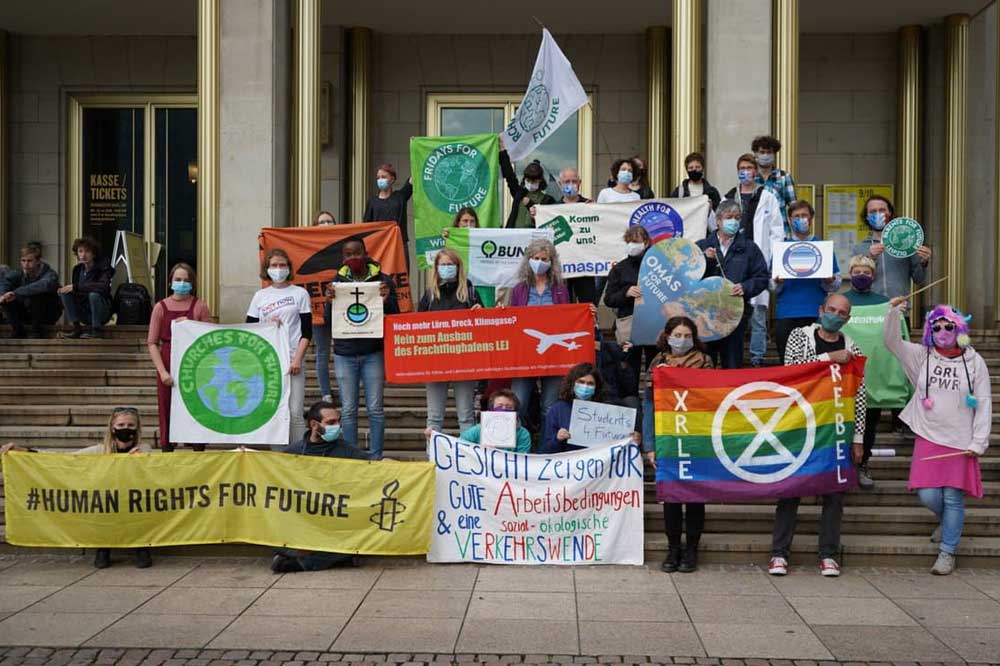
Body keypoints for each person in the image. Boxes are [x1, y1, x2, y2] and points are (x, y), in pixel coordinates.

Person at [883, 300, 990, 575]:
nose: (943, 331)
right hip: (928, 435)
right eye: (937, 327)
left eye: (949, 327)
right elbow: (891, 341)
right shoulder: (921, 356)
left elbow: (984, 401)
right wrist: (892, 313)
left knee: (953, 497)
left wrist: (979, 440)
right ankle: (949, 522)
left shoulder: (975, 361)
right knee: (928, 495)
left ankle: (947, 551)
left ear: (959, 329)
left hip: (960, 439)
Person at [768, 293, 867, 578]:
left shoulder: (852, 346)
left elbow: (859, 393)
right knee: (791, 490)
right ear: (821, 309)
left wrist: (858, 437)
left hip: (835, 429)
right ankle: (779, 553)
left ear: (848, 318)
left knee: (834, 494)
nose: (835, 315)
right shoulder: (800, 336)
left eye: (842, 313)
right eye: (831, 309)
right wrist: (829, 358)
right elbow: (791, 372)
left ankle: (828, 554)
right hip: (800, 427)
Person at [1, 407, 153, 569]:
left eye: (130, 425)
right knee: (101, 508)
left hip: (132, 499)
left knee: (141, 508)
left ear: (137, 428)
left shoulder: (144, 449)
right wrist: (25, 452)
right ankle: (103, 547)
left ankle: (141, 547)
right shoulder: (99, 450)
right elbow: (65, 459)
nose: (125, 429)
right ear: (112, 428)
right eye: (121, 425)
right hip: (107, 501)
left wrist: (142, 460)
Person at [641, 316, 713, 573]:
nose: (682, 340)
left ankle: (691, 549)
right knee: (671, 496)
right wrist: (650, 445)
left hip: (696, 437)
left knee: (695, 496)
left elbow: (711, 398)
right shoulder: (657, 363)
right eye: (678, 335)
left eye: (687, 336)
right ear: (668, 336)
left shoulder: (705, 362)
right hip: (668, 438)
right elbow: (648, 404)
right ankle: (673, 550)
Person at [271, 400, 373, 573]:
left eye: (338, 421)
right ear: (314, 425)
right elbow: (270, 470)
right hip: (303, 521)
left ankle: (303, 562)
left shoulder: (346, 450)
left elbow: (375, 464)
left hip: (334, 523)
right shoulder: (294, 451)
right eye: (331, 422)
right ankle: (324, 557)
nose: (337, 426)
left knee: (358, 540)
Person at [329, 239, 400, 459]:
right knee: (348, 410)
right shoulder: (336, 281)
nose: (353, 258)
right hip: (344, 353)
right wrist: (329, 302)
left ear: (366, 253)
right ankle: (352, 457)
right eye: (348, 254)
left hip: (373, 352)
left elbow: (395, 315)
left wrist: (386, 300)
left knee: (375, 408)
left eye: (357, 253)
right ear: (343, 258)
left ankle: (376, 456)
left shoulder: (383, 280)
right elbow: (328, 319)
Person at [721, 153, 784, 367]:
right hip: (734, 261)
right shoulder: (729, 197)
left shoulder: (767, 196)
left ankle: (757, 358)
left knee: (758, 315)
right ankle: (733, 360)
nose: (745, 172)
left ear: (755, 171)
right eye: (742, 168)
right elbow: (718, 225)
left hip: (758, 259)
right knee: (732, 313)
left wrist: (773, 259)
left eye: (749, 168)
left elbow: (777, 231)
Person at [247, 249, 312, 445]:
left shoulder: (300, 294)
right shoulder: (260, 296)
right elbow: (250, 329)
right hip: (269, 361)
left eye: (282, 265)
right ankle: (278, 453)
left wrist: (297, 359)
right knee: (275, 411)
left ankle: (298, 452)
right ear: (267, 269)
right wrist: (266, 325)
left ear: (289, 268)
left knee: (295, 411)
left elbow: (307, 332)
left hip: (293, 359)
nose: (278, 269)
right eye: (274, 265)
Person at [506, 238, 573, 428]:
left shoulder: (560, 289)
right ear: (528, 260)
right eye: (536, 258)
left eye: (544, 259)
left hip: (554, 355)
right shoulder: (519, 289)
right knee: (518, 403)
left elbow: (569, 318)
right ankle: (521, 441)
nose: (540, 262)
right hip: (525, 356)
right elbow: (512, 320)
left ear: (552, 262)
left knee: (549, 407)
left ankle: (547, 444)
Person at [147, 263, 213, 452]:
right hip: (168, 358)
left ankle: (197, 446)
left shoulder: (200, 306)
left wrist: (191, 324)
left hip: (194, 360)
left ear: (192, 283)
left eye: (186, 280)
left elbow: (209, 335)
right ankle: (167, 448)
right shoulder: (160, 307)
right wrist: (162, 371)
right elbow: (152, 342)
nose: (182, 283)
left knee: (196, 404)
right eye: (178, 279)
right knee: (166, 405)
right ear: (170, 282)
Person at [696, 200, 769, 369]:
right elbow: (688, 277)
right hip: (706, 316)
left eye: (737, 218)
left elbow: (762, 277)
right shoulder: (702, 246)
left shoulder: (749, 248)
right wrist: (704, 260)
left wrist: (745, 287)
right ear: (718, 221)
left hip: (735, 316)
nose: (733, 221)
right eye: (729, 217)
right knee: (706, 365)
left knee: (732, 364)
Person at [420, 248, 482, 436]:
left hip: (464, 361)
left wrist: (480, 312)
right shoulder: (430, 295)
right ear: (436, 267)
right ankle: (432, 454)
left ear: (458, 267)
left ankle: (468, 453)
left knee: (466, 416)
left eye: (450, 264)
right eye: (443, 264)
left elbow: (483, 325)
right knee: (434, 417)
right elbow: (417, 325)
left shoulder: (470, 292)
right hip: (435, 361)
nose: (447, 268)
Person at [772, 200, 842, 362]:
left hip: (816, 314)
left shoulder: (822, 247)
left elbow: (836, 283)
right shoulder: (781, 248)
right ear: (789, 220)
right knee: (788, 363)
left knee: (818, 362)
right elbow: (771, 287)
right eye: (796, 216)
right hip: (787, 314)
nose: (801, 219)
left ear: (811, 219)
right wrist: (778, 282)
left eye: (804, 215)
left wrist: (829, 280)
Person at [843, 254, 889, 490]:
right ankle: (842, 468)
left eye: (866, 273)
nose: (862, 276)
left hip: (874, 375)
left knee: (869, 424)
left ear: (873, 275)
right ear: (850, 274)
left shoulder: (884, 303)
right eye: (857, 272)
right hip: (845, 375)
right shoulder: (840, 301)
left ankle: (863, 464)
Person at [541, 363, 641, 455]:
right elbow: (546, 450)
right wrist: (557, 439)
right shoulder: (558, 409)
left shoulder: (608, 410)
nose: (585, 386)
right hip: (570, 464)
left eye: (590, 384)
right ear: (572, 383)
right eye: (581, 382)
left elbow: (620, 444)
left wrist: (633, 439)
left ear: (597, 387)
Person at [604, 225, 656, 386]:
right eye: (629, 242)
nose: (632, 245)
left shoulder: (658, 265)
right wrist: (625, 293)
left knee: (655, 366)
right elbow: (609, 299)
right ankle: (631, 397)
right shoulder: (620, 269)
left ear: (646, 243)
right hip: (629, 323)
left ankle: (653, 396)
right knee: (629, 369)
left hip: (655, 322)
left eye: (635, 241)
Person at [852, 195, 931, 300]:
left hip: (900, 305)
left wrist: (923, 262)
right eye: (873, 211)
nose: (878, 214)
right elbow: (856, 285)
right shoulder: (859, 248)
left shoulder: (905, 245)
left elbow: (919, 279)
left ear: (890, 213)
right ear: (866, 216)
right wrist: (870, 258)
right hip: (871, 306)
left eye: (882, 210)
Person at [0, 245, 61, 338]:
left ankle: (38, 332)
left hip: (47, 314)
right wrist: (3, 295)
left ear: (38, 261)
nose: (26, 264)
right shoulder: (19, 272)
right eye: (23, 261)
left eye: (29, 261)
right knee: (7, 299)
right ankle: (18, 331)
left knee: (36, 294)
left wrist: (16, 293)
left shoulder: (50, 274)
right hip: (26, 313)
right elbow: (5, 282)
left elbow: (43, 286)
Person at [58, 237, 114, 339]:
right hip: (84, 312)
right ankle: (76, 328)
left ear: (94, 254)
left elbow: (103, 286)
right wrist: (65, 290)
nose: (83, 255)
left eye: (87, 251)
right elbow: (77, 291)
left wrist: (76, 287)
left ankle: (96, 331)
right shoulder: (77, 269)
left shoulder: (103, 267)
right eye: (80, 251)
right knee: (65, 292)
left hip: (101, 312)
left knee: (94, 295)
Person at [311, 211, 338, 401]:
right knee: (322, 352)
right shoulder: (308, 247)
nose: (326, 224)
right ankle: (326, 394)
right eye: (322, 222)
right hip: (318, 309)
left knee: (345, 351)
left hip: (341, 308)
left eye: (329, 221)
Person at [455, 389, 532, 454]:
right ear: (491, 409)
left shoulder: (523, 434)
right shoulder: (478, 430)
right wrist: (479, 450)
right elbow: (459, 446)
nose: (504, 409)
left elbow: (522, 459)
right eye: (499, 406)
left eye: (509, 407)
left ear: (515, 411)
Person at [500, 147, 555, 228]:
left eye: (534, 181)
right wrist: (502, 152)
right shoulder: (519, 193)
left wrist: (530, 204)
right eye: (528, 180)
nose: (530, 183)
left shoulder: (548, 200)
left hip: (534, 234)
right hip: (513, 234)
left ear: (540, 180)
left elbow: (547, 220)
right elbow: (509, 176)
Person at [751, 135, 796, 227]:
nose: (765, 155)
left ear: (774, 154)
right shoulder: (751, 178)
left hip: (780, 229)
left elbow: (793, 207)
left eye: (769, 152)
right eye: (762, 152)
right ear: (755, 154)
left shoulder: (784, 177)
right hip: (755, 230)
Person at [362, 163, 413, 246]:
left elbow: (413, 179)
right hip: (379, 244)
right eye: (378, 178)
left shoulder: (400, 197)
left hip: (398, 243)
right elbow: (366, 225)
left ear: (392, 179)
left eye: (383, 177)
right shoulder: (372, 201)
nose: (380, 180)